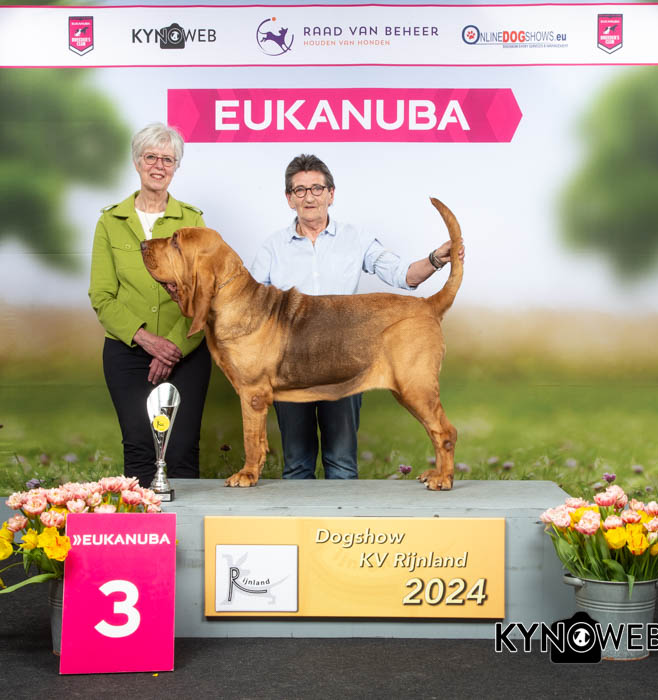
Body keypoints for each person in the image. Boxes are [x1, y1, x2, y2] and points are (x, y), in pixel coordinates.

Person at [250, 153, 464, 481]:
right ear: (289, 199)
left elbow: (403, 275)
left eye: (317, 188)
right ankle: (298, 516)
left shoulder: (356, 239)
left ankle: (344, 519)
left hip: (346, 360)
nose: (309, 197)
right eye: (300, 190)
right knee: (296, 465)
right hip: (290, 363)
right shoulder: (272, 247)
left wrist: (436, 259)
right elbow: (252, 305)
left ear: (331, 194)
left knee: (342, 464)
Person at [89, 123, 211, 487]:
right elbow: (102, 296)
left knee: (182, 449)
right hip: (127, 353)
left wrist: (171, 347)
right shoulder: (110, 222)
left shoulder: (192, 219)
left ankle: (186, 525)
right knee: (139, 448)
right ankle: (143, 523)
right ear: (137, 162)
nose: (159, 166)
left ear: (176, 167)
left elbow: (202, 293)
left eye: (167, 159)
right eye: (151, 157)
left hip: (185, 352)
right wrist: (146, 340)